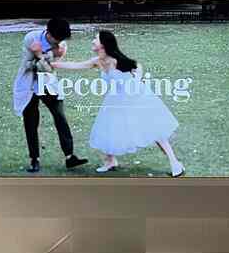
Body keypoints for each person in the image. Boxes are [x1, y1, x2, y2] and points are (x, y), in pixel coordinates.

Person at [51, 29, 185, 176]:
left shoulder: (116, 60)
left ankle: (175, 162)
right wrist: (55, 65)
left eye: (95, 39)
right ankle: (110, 161)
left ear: (103, 44)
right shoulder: (98, 61)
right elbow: (77, 65)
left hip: (135, 99)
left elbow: (136, 65)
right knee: (108, 128)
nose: (92, 41)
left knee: (153, 129)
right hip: (115, 100)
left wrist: (137, 80)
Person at [12, 18, 87, 173]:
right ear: (48, 33)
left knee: (60, 116)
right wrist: (44, 55)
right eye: (56, 39)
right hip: (28, 83)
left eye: (61, 40)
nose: (58, 43)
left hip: (48, 83)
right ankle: (34, 159)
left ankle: (70, 156)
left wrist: (39, 55)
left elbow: (47, 69)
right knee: (31, 121)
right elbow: (27, 65)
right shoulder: (31, 38)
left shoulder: (61, 46)